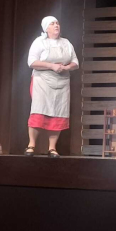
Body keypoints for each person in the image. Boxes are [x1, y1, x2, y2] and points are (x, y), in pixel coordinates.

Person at [25, 16, 79, 158]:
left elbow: (75, 62)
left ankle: (52, 148)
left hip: (62, 81)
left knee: (58, 112)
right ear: (46, 28)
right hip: (42, 81)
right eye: (52, 24)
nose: (56, 26)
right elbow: (31, 62)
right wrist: (51, 66)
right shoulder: (39, 42)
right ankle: (31, 145)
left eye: (57, 23)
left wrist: (66, 67)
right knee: (39, 110)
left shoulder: (66, 43)